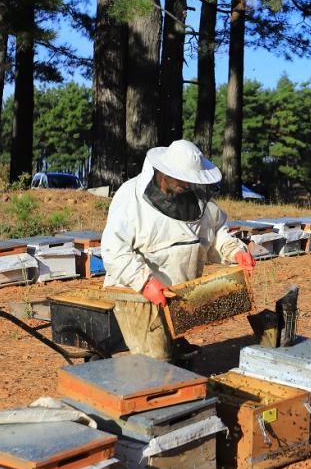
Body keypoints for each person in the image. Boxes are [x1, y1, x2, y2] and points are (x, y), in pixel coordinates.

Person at [101, 139, 256, 361]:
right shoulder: (130, 197)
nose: (187, 184)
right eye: (182, 178)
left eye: (191, 180)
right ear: (163, 173)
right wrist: (144, 282)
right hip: (138, 295)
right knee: (155, 362)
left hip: (178, 295)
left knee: (174, 356)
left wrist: (235, 251)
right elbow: (114, 249)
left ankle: (174, 351)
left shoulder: (197, 200)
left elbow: (216, 233)